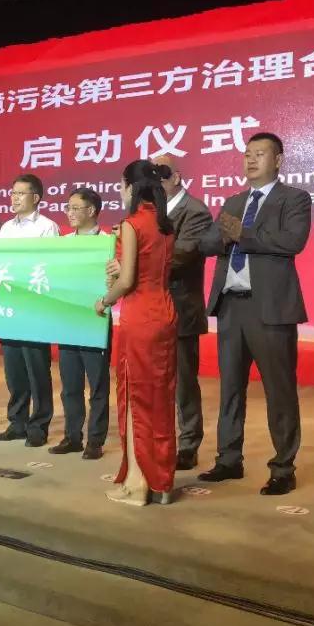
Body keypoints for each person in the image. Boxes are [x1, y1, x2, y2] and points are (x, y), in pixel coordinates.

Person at [198, 133, 312, 495]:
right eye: (247, 154)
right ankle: (228, 459)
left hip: (271, 308)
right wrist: (224, 236)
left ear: (277, 160)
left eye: (259, 154)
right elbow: (207, 243)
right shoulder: (233, 201)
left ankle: (283, 468)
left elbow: (292, 241)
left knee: (279, 390)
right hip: (231, 306)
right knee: (230, 387)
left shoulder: (294, 198)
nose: (250, 160)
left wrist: (243, 234)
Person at [97, 161, 177, 506]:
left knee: (135, 399)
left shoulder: (131, 224)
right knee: (159, 400)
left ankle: (138, 483)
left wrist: (104, 300)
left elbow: (127, 280)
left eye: (121, 185)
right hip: (164, 313)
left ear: (131, 187)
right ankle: (160, 481)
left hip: (140, 316)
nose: (120, 191)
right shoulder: (165, 224)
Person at [153, 155, 214, 470]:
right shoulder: (150, 212)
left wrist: (141, 258)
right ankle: (160, 440)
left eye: (161, 175)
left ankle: (188, 444)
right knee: (156, 381)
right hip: (151, 308)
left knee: (184, 382)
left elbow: (182, 255)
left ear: (176, 177)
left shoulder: (196, 211)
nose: (155, 182)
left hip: (181, 308)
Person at [0, 174, 59, 448]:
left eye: (21, 193)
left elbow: (50, 267)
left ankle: (38, 426)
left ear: (36, 197)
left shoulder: (47, 227)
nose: (15, 198)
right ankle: (17, 422)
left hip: (34, 308)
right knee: (14, 369)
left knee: (37, 369)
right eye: (13, 193)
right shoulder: (6, 227)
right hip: (10, 305)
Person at [51, 188, 111, 460]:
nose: (70, 213)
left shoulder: (108, 243)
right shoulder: (63, 243)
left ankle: (95, 440)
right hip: (67, 320)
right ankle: (72, 436)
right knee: (70, 384)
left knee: (97, 384)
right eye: (68, 208)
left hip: (96, 321)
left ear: (92, 210)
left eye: (75, 208)